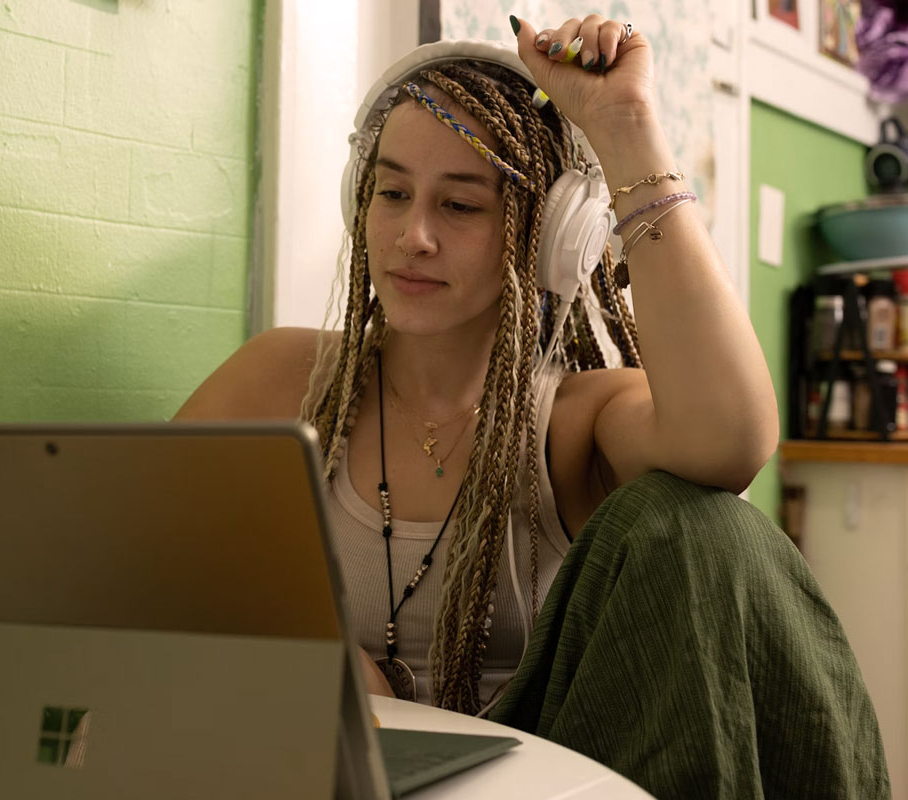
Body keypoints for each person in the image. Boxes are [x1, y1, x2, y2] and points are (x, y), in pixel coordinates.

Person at [177, 14, 889, 797]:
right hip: (328, 766)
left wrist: (627, 131)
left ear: (546, 234)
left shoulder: (577, 421)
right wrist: (315, 659)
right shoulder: (287, 382)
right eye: (391, 192)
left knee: (699, 523)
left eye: (461, 206)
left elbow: (733, 438)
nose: (414, 234)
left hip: (541, 774)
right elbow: (131, 570)